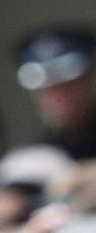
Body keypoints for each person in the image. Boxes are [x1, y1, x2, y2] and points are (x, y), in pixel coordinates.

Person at [16, 27, 96, 161]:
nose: (58, 97)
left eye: (68, 85)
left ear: (91, 79)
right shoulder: (35, 160)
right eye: (47, 89)